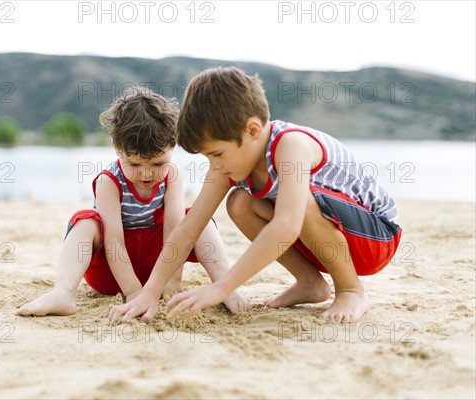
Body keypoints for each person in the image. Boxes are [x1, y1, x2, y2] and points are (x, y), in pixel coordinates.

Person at [109, 67, 402, 324]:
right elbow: (189, 227)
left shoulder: (291, 146)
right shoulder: (228, 163)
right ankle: (310, 283)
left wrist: (221, 286)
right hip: (332, 239)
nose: (216, 166)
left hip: (375, 238)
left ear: (251, 131)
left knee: (302, 205)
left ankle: (351, 289)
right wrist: (149, 291)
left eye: (217, 154)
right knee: (240, 203)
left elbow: (287, 225)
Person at [18, 87, 249, 317]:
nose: (147, 174)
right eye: (135, 165)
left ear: (173, 146)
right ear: (117, 149)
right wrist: (132, 291)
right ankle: (64, 293)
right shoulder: (109, 182)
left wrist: (171, 280)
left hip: (159, 264)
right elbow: (114, 240)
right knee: (85, 221)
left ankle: (225, 285)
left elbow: (174, 229)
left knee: (197, 220)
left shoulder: (173, 175)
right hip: (113, 270)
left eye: (158, 164)